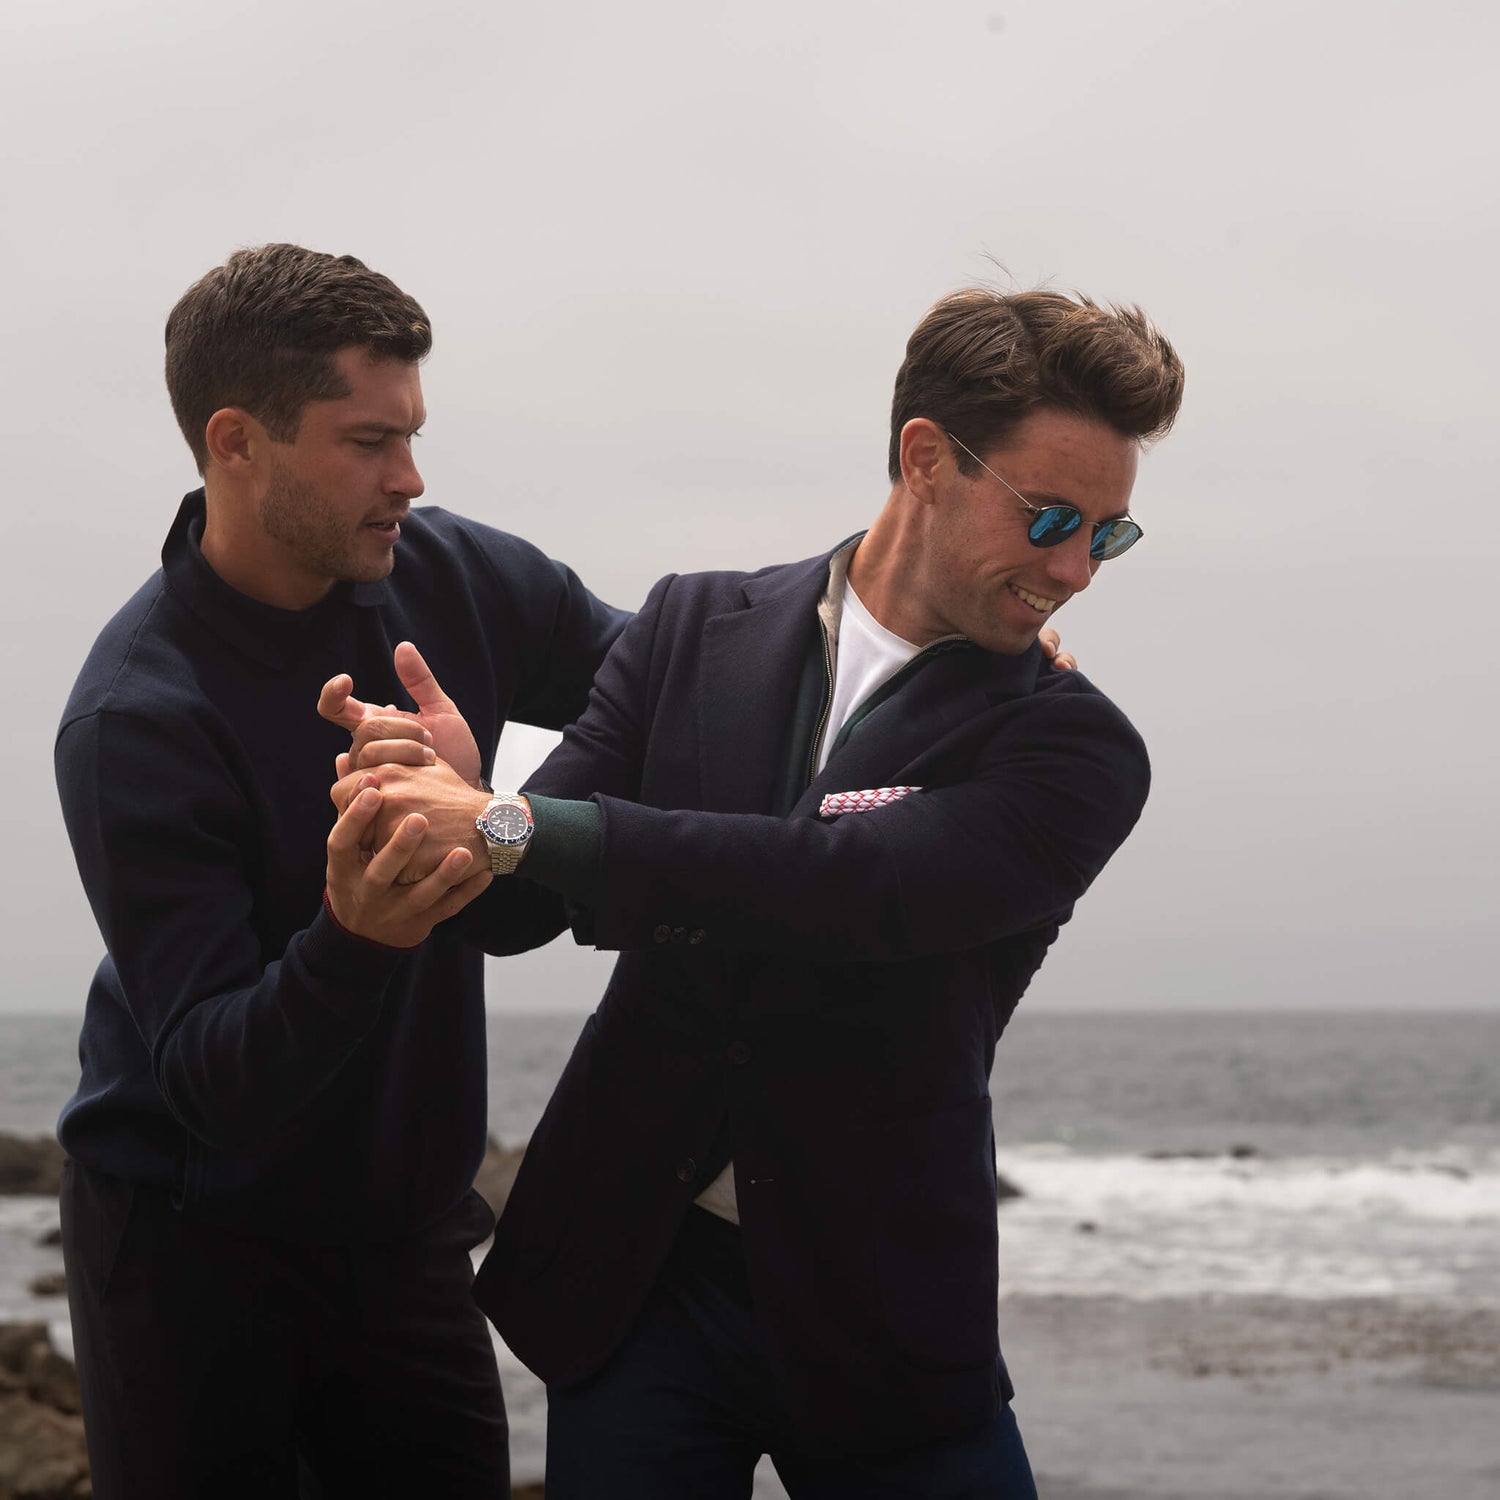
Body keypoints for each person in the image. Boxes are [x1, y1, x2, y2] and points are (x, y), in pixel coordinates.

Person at [332, 285, 1183, 1496]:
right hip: (635, 1284)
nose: (1075, 569)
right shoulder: (692, 623)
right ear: (926, 459)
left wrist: (512, 821)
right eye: (1051, 517)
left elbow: (845, 891)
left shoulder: (1076, 748)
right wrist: (454, 808)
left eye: (1109, 535)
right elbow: (514, 912)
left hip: (879, 1302)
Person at [52, 243, 628, 1499]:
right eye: (369, 442)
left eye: (412, 436)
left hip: (405, 1241)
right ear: (235, 443)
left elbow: (682, 686)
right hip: (185, 1252)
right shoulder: (136, 717)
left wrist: (936, 640)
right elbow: (211, 1081)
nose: (409, 477)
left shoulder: (459, 576)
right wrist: (358, 934)